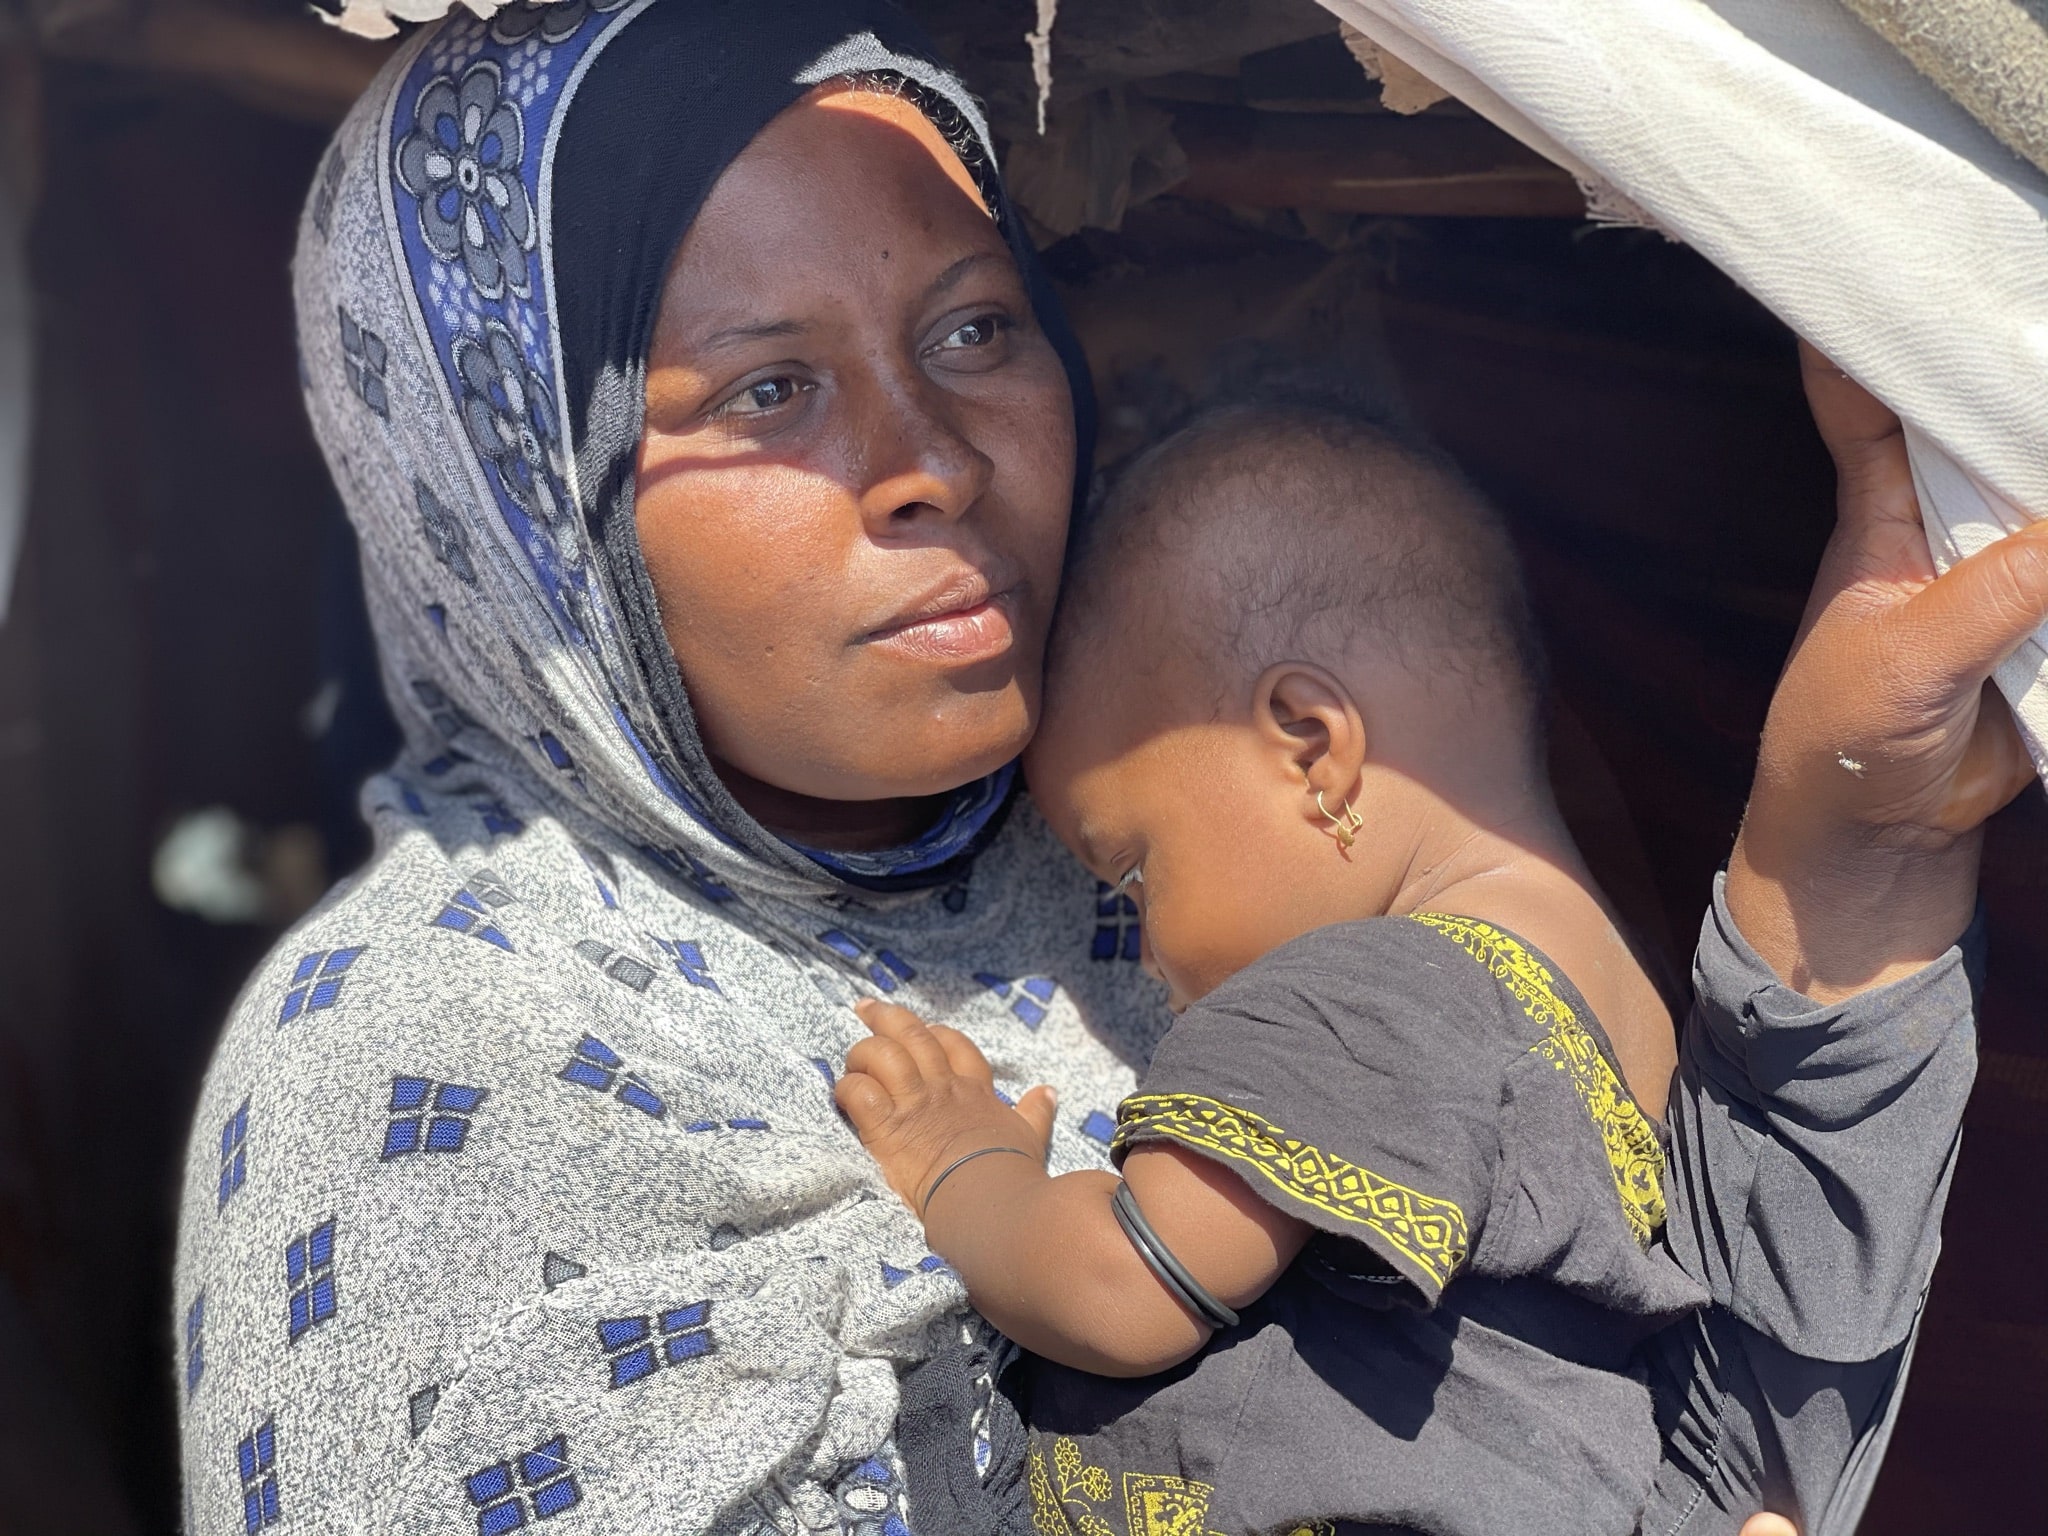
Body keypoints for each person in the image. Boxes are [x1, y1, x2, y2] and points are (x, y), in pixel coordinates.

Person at [168, 1, 2048, 1533]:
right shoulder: (430, 1066)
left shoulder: (1208, 839)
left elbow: (1699, 1437)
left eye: (974, 329)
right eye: (768, 388)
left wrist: (1841, 861)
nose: (933, 459)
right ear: (528, 522)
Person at [836, 394, 1711, 1536]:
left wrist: (963, 1163)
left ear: (1310, 747)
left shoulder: (1358, 996)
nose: (1143, 953)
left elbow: (1121, 1287)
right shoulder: (1635, 1007)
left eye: (1133, 873)